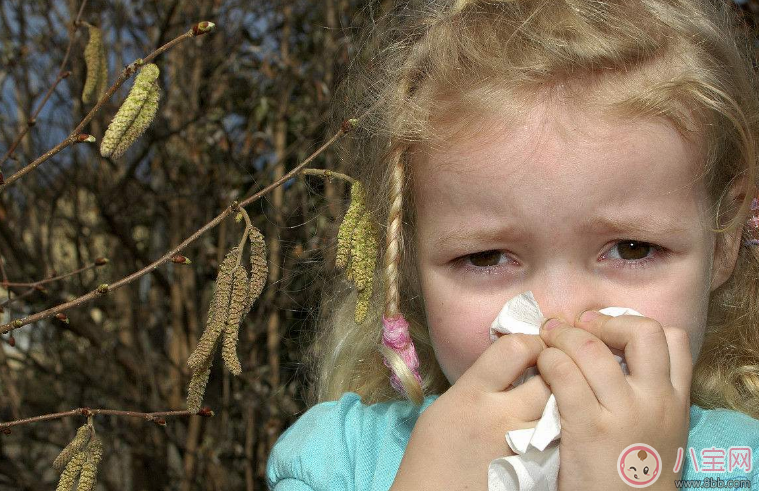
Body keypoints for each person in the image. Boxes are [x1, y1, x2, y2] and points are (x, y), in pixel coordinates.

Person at [266, 0, 759, 489]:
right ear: (409, 264)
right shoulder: (337, 461)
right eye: (485, 257)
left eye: (632, 248)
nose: (557, 316)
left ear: (724, 241)